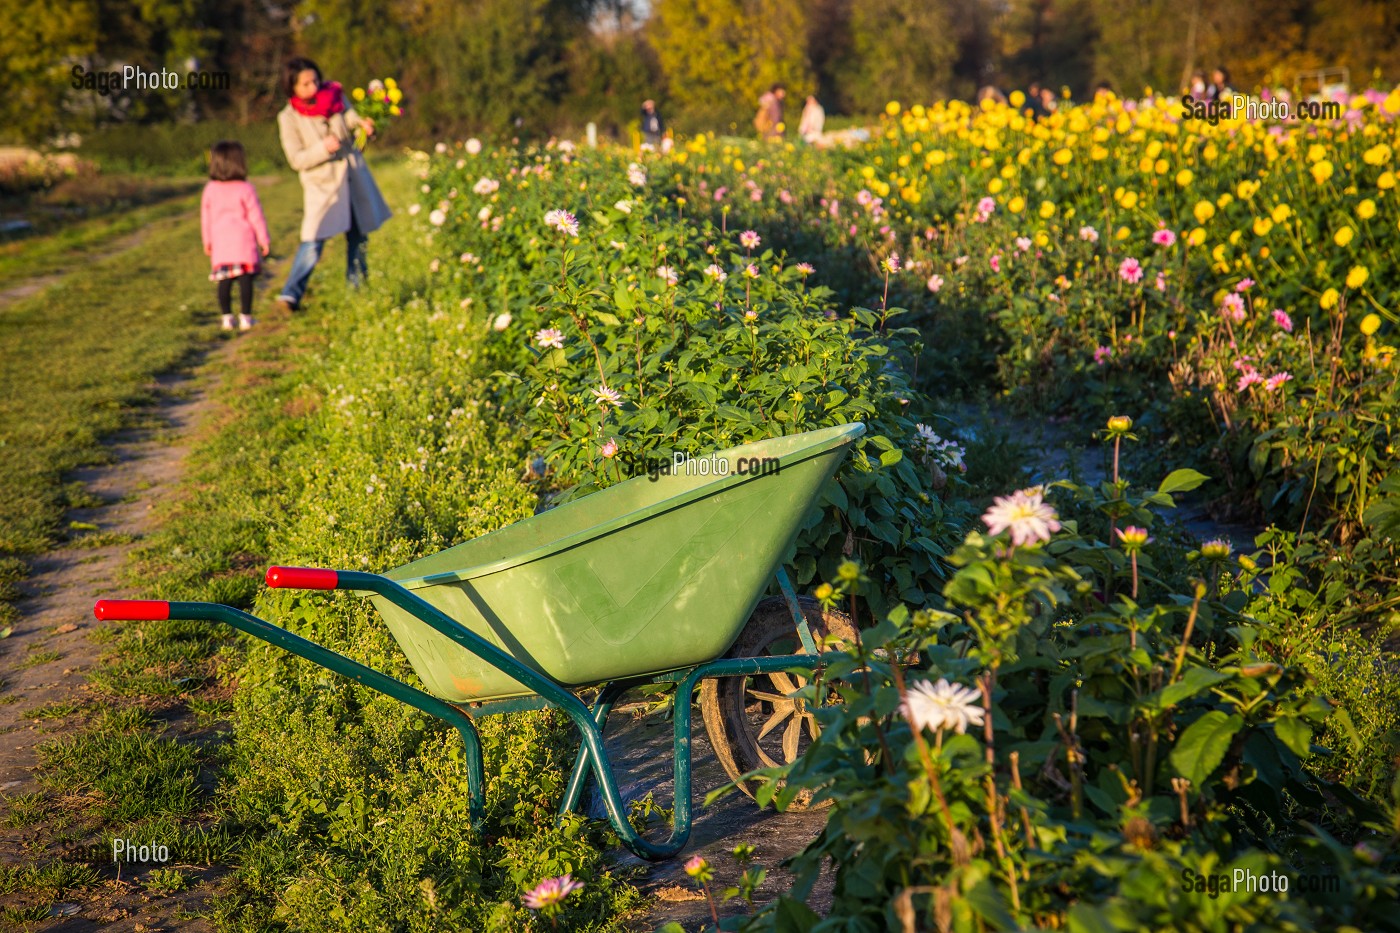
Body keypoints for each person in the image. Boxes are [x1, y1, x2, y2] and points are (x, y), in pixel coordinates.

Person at [274, 56, 393, 313]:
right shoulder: (288, 117)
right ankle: (290, 295)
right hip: (322, 185)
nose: (313, 87)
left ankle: (358, 293)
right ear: (291, 86)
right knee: (313, 239)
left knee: (358, 236)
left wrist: (364, 125)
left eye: (315, 80)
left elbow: (351, 119)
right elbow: (296, 159)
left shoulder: (336, 97)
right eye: (305, 84)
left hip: (352, 177)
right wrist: (322, 148)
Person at [201, 141, 270, 332]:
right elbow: (256, 216)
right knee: (245, 281)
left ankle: (226, 318)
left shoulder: (210, 188)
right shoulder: (245, 188)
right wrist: (263, 240)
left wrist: (207, 241)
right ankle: (246, 318)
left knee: (224, 281)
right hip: (243, 242)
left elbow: (205, 219)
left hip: (220, 243)